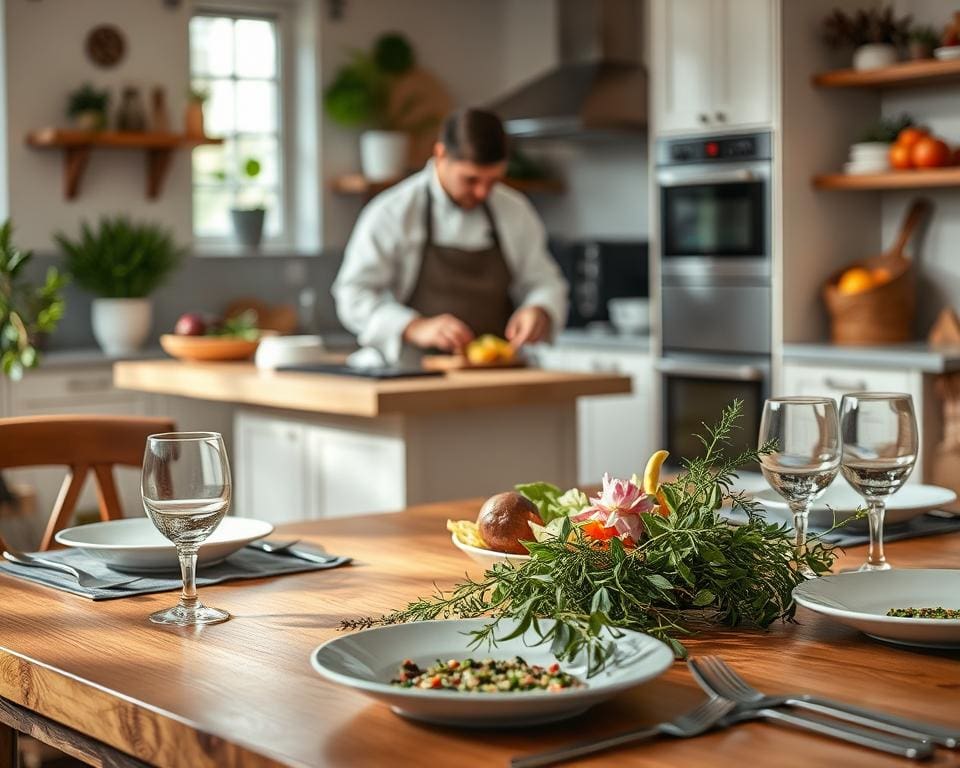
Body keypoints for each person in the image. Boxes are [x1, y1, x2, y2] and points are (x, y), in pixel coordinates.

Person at [332, 108, 568, 364]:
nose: (481, 192)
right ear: (441, 154)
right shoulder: (393, 212)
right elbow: (352, 293)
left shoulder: (514, 210)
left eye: (492, 181)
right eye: (471, 180)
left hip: (497, 376)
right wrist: (414, 326)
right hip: (412, 371)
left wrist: (539, 309)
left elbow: (544, 281)